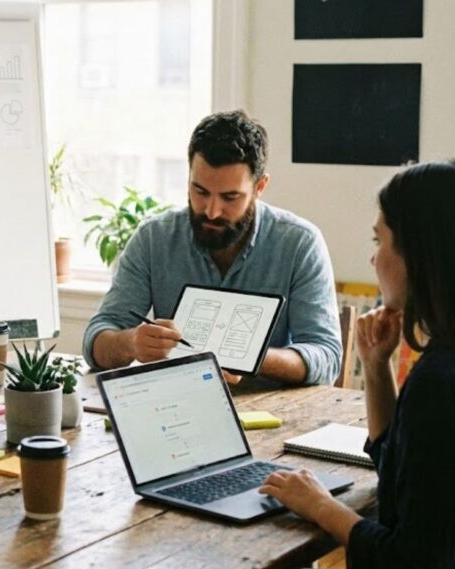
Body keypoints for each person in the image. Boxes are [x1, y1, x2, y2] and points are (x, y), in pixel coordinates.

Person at [259, 160, 455, 569]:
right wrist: (376, 369)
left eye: (380, 241)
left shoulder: (444, 382)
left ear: (422, 255)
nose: (373, 260)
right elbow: (409, 484)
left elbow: (412, 565)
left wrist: (322, 507)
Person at [83, 110, 340, 385]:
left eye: (230, 197)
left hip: (274, 414)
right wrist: (132, 343)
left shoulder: (300, 243)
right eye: (200, 191)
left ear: (260, 186)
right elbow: (95, 340)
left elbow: (326, 357)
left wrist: (249, 358)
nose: (212, 211)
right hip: (178, 405)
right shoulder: (153, 238)